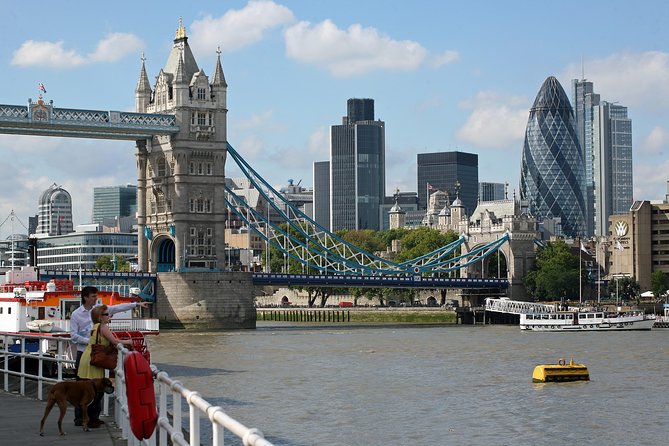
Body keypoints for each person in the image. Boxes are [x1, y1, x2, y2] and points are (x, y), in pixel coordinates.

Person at [70, 285, 151, 427]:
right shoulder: (77, 314)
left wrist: (136, 304)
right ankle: (81, 418)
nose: (96, 298)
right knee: (83, 388)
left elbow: (119, 307)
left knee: (95, 388)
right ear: (86, 297)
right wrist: (91, 341)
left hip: (95, 355)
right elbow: (73, 336)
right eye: (93, 296)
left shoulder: (99, 311)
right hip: (85, 353)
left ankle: (91, 417)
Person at [76, 305, 133, 427]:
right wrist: (128, 342)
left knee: (88, 390)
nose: (109, 316)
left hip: (88, 358)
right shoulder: (103, 327)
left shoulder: (95, 327)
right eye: (106, 314)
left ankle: (86, 418)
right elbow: (115, 342)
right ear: (100, 317)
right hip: (93, 361)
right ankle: (90, 419)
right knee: (94, 391)